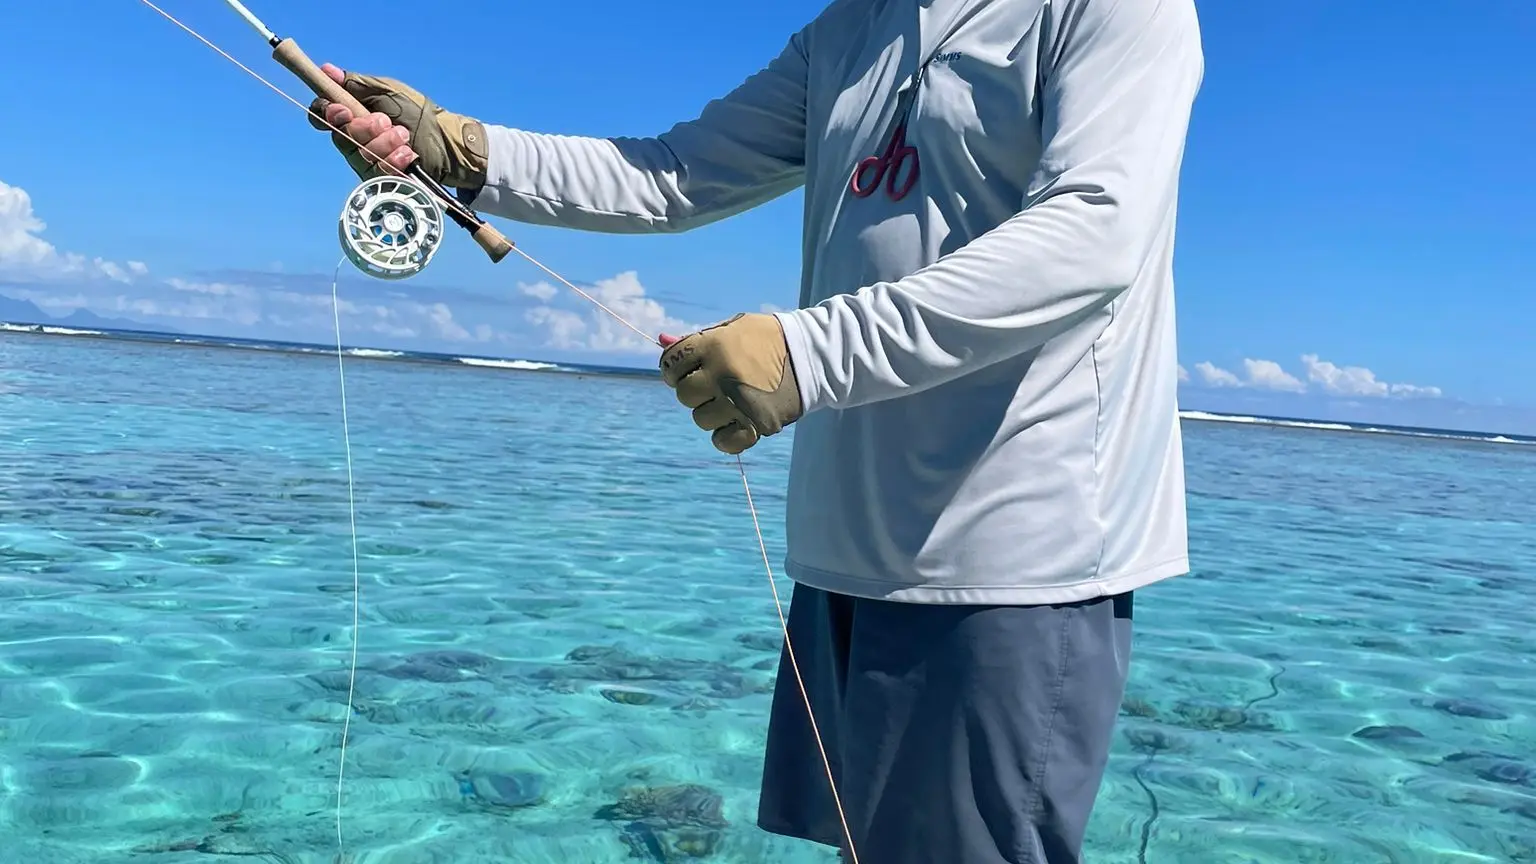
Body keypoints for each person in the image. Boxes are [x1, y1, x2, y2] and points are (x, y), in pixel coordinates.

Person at [310, 0, 1203, 859]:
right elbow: (671, 172)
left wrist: (806, 354)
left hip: (1017, 557)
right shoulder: (848, 28)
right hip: (846, 544)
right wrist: (460, 151)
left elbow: (1094, 232)